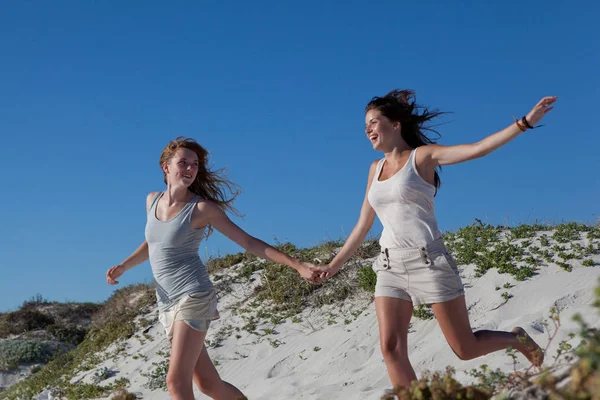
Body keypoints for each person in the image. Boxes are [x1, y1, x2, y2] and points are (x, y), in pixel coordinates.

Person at [313, 90, 557, 389]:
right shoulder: (374, 170)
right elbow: (364, 224)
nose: (368, 130)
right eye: (366, 125)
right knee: (391, 348)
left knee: (464, 349)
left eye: (375, 122)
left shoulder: (422, 157)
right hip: (389, 265)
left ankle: (517, 339)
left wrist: (524, 123)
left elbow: (478, 149)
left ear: (396, 124)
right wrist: (334, 265)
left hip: (429, 261)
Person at [106, 137, 320, 400]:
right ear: (165, 166)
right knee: (208, 383)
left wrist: (297, 264)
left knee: (175, 382)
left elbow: (248, 241)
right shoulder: (152, 201)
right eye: (182, 162)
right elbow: (153, 242)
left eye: (194, 164)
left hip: (194, 295)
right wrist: (124, 266)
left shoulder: (202, 208)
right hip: (167, 303)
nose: (189, 169)